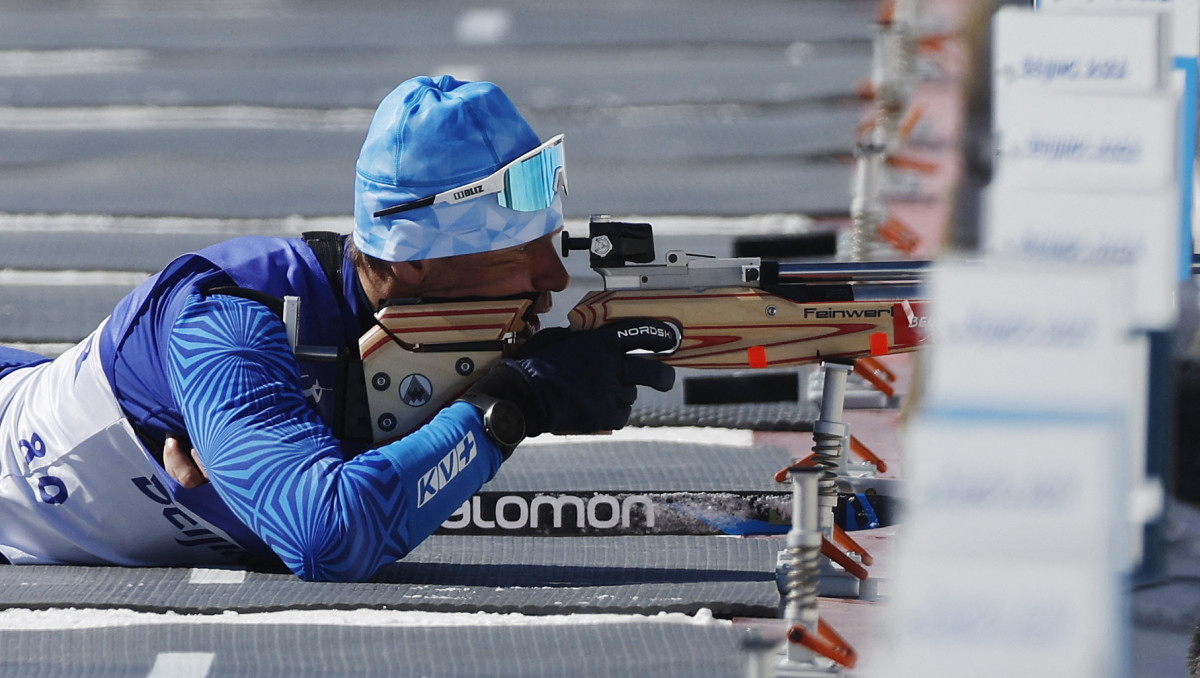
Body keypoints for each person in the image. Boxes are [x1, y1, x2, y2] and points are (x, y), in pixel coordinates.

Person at [0, 75, 675, 582]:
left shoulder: (418, 333)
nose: (554, 279)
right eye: (519, 252)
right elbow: (328, 538)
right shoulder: (231, 323)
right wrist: (513, 404)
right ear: (413, 261)